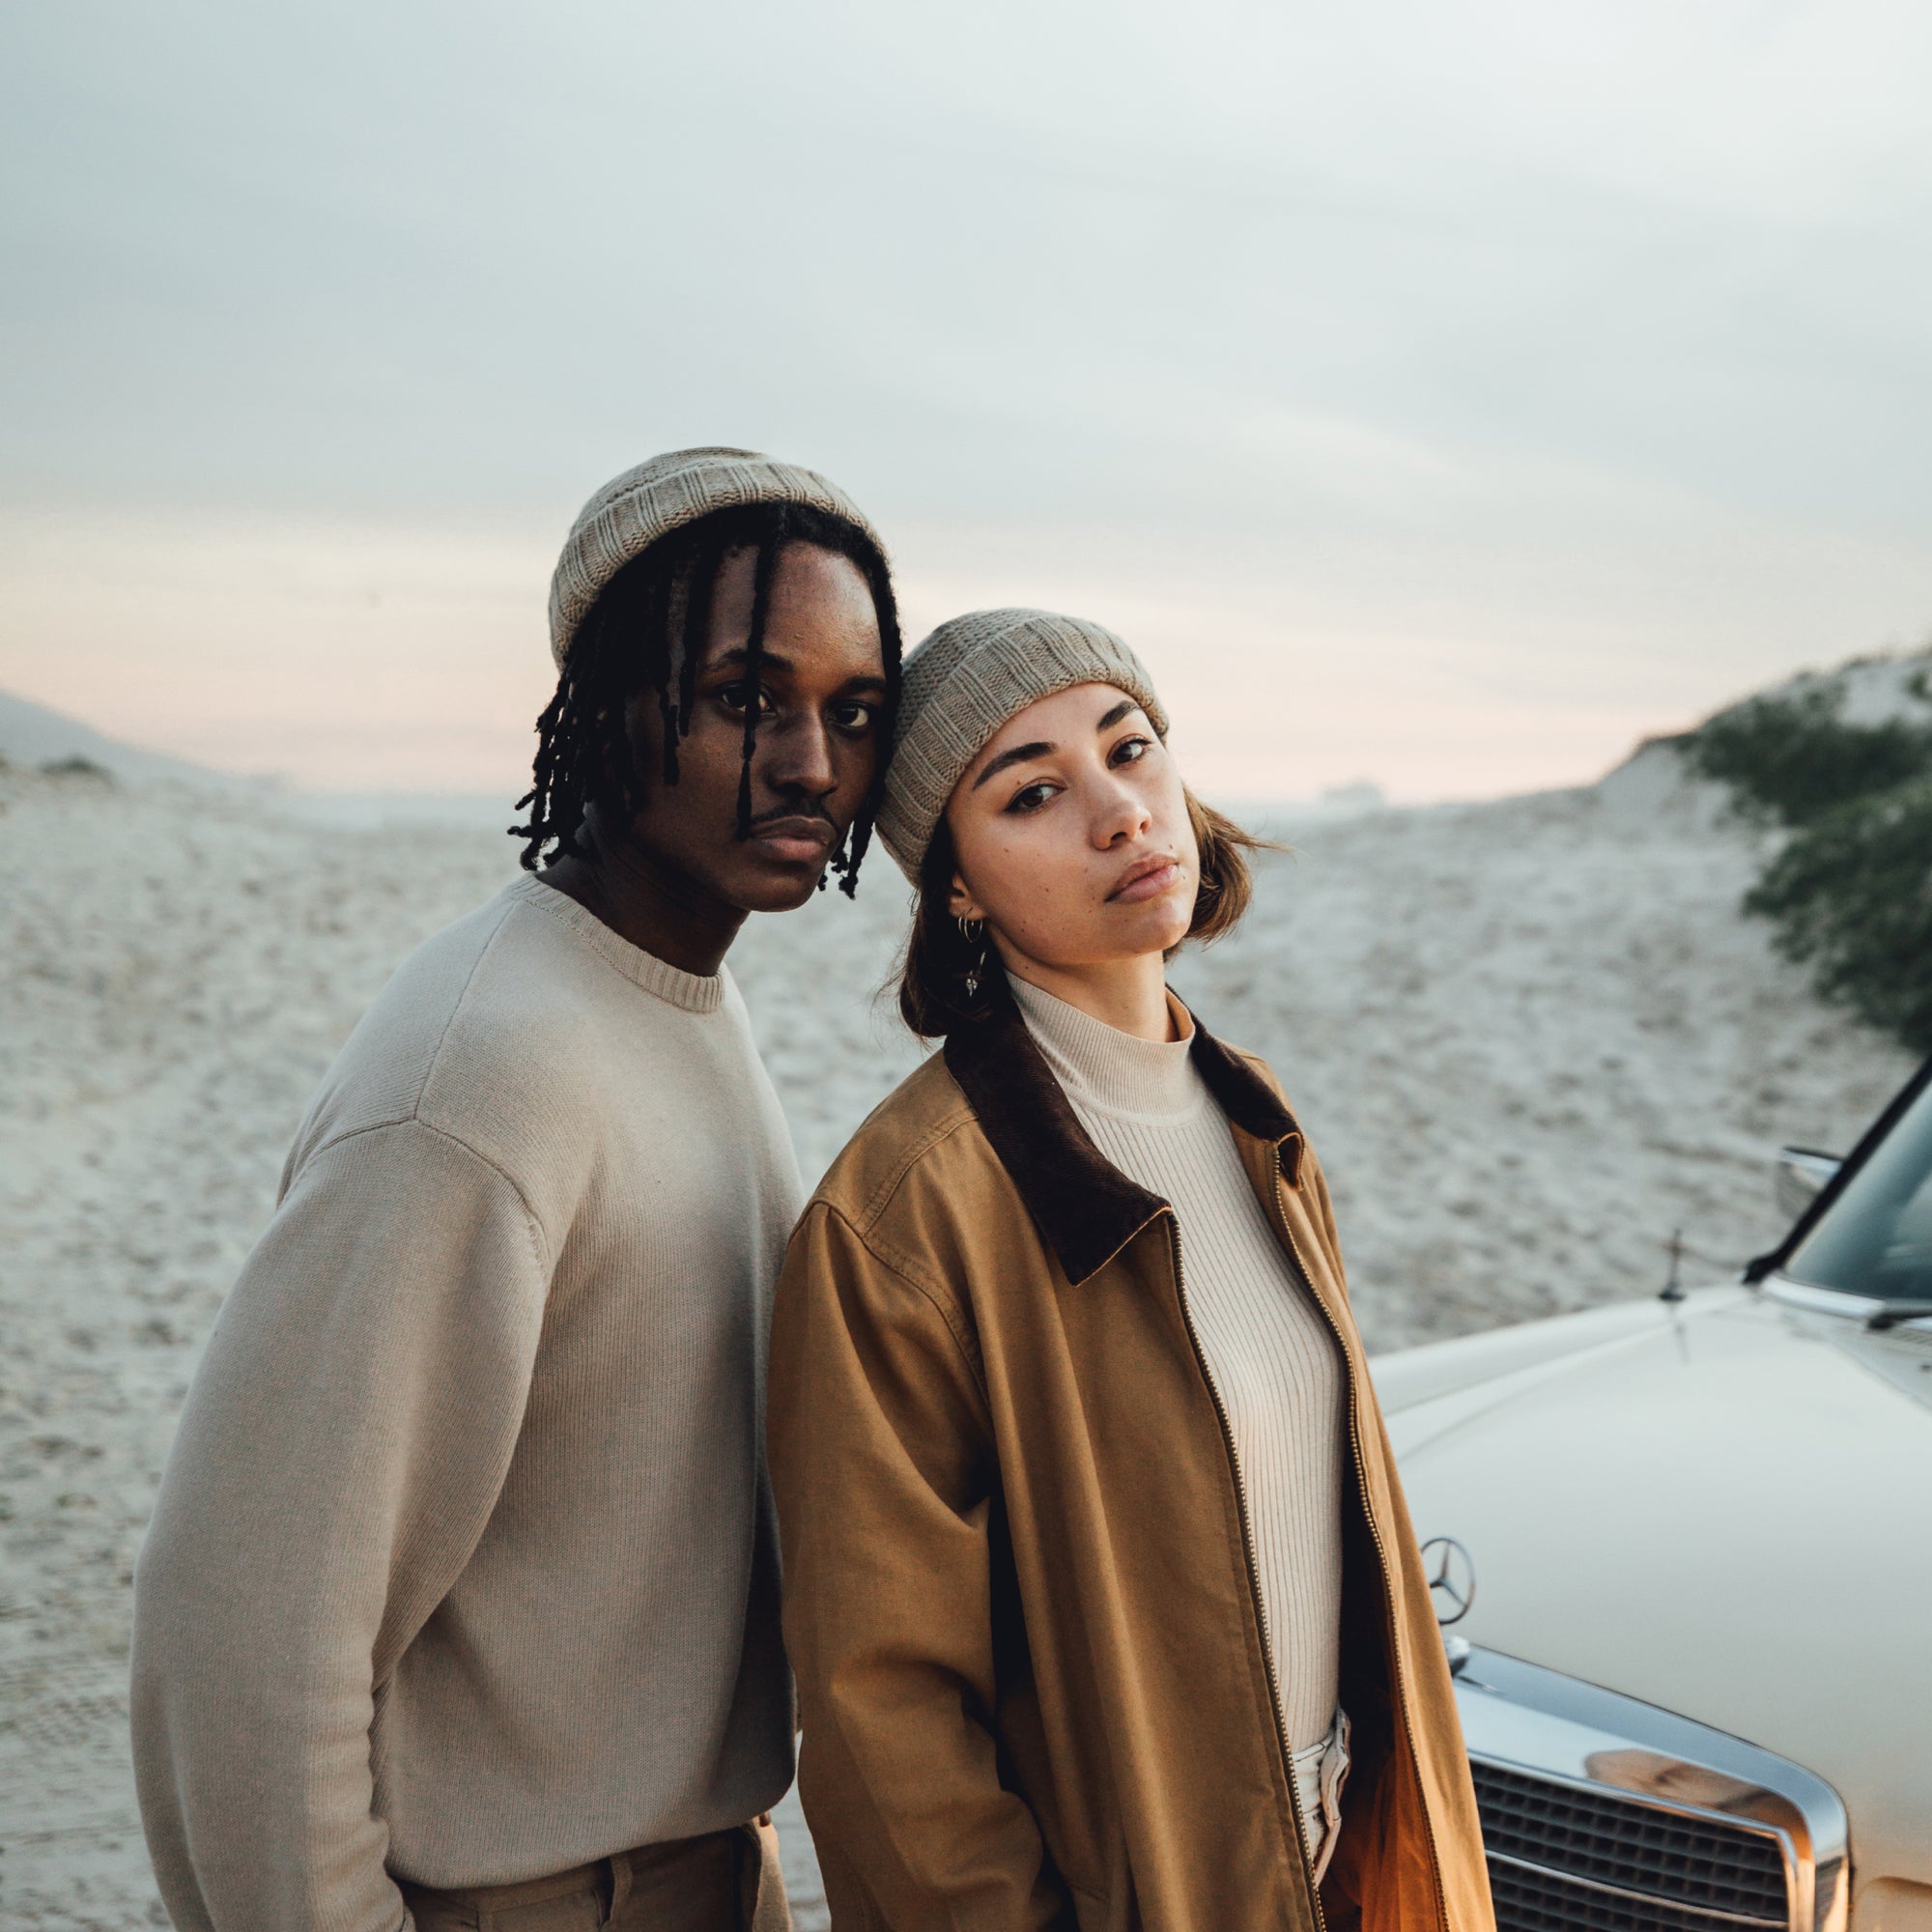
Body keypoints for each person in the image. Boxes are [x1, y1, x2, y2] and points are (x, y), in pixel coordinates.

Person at [130, 447, 902, 1932]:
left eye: (853, 713)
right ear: (610, 705)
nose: (813, 761)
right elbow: (240, 1637)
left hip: (699, 1871)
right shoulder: (482, 1079)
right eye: (749, 698)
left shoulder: (673, 997)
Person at [768, 609, 1494, 1931]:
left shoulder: (1253, 1119)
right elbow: (885, 1719)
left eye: (1132, 750)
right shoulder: (902, 1221)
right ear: (960, 885)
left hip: (1343, 1863)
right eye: (1033, 791)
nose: (1119, 815)